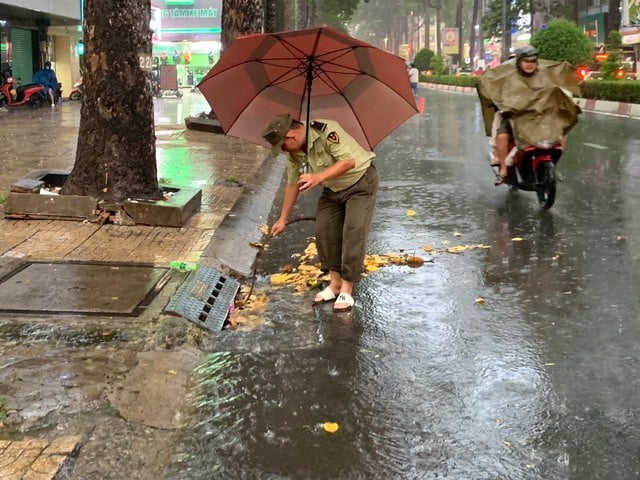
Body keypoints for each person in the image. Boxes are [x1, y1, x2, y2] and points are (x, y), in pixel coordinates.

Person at [262, 114, 378, 312]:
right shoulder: (294, 153)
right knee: (324, 230)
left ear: (291, 136)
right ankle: (335, 284)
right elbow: (292, 184)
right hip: (332, 189)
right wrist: (282, 218)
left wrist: (318, 177)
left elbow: (348, 162)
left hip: (360, 183)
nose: (283, 152)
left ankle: (347, 289)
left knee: (353, 231)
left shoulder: (327, 130)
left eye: (282, 146)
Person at [493, 46, 539, 185]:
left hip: (538, 116)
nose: (529, 64)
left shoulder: (543, 77)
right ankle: (503, 168)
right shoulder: (509, 78)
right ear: (519, 62)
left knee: (561, 133)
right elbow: (497, 94)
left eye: (533, 61)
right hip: (513, 116)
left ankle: (552, 166)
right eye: (526, 61)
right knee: (502, 137)